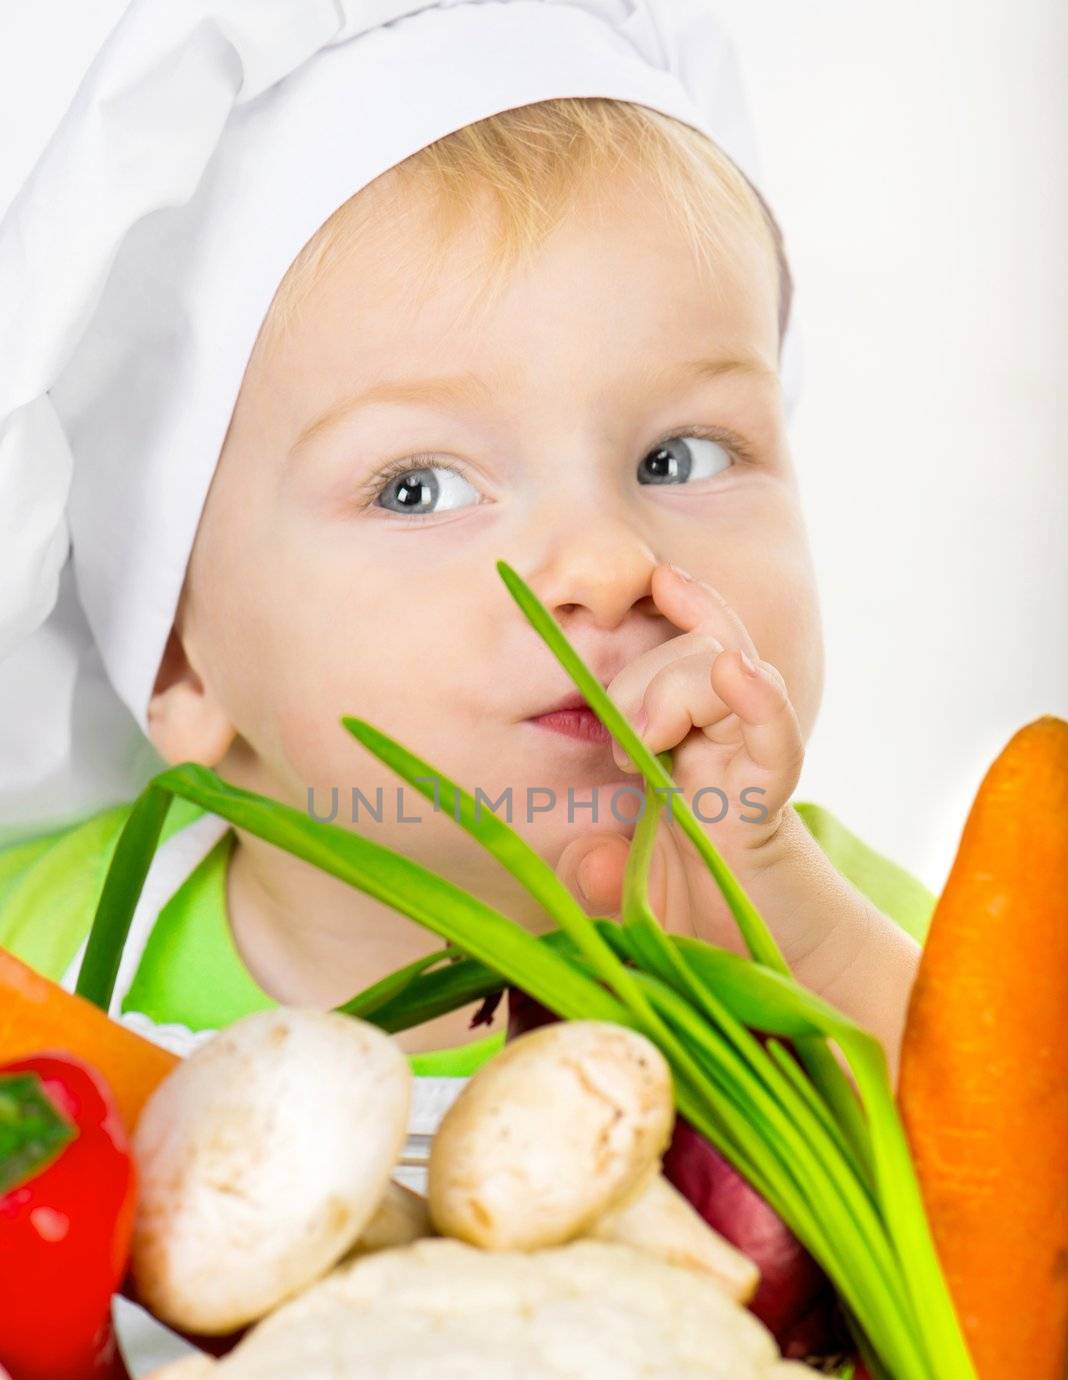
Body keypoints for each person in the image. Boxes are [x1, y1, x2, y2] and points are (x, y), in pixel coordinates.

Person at [0, 2, 935, 1117]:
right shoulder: (35, 953)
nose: (606, 560)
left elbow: (1013, 1191)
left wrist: (811, 958)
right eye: (419, 488)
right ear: (178, 667)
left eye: (679, 456)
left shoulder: (862, 941)